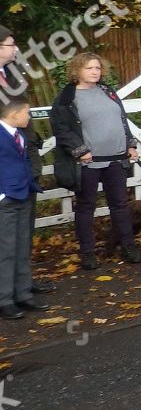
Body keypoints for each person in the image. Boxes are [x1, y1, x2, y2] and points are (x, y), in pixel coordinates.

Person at [50, 53, 141, 268]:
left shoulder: (108, 91)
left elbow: (122, 120)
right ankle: (88, 253)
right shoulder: (67, 97)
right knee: (86, 206)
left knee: (120, 204)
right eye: (89, 68)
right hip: (87, 162)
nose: (94, 72)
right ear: (77, 70)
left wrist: (130, 144)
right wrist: (79, 150)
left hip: (117, 159)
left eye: (97, 68)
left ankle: (128, 246)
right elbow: (61, 127)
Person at [0, 96, 49, 320]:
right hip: (6, 198)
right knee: (6, 250)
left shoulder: (18, 134)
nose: (29, 117)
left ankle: (23, 292)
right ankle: (5, 299)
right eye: (27, 112)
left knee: (22, 246)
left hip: (24, 193)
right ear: (14, 114)